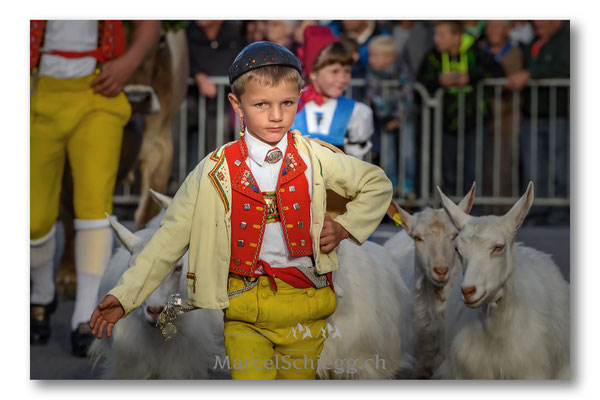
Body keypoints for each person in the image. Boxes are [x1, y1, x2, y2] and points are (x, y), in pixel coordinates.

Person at [89, 41, 393, 380]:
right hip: (244, 307)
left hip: (307, 305)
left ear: (299, 100)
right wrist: (126, 295)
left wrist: (345, 227)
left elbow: (376, 184)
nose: (276, 115)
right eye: (262, 104)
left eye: (287, 103)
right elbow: (167, 240)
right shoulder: (213, 170)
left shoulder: (315, 157)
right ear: (237, 104)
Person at [30, 20, 160, 356]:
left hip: (98, 93)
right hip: (37, 91)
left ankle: (87, 312)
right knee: (32, 218)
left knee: (93, 207)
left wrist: (129, 62)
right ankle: (42, 294)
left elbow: (149, 19)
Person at [417, 20, 503, 196]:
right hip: (445, 123)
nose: (436, 39)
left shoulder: (476, 52)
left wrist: (470, 77)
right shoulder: (433, 56)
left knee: (474, 169)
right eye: (435, 34)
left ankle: (473, 213)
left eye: (442, 35)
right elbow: (420, 81)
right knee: (447, 170)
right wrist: (438, 81)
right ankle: (450, 212)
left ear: (457, 37)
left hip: (475, 121)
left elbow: (497, 72)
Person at [506, 20, 569, 224]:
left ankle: (561, 211)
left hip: (559, 114)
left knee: (560, 167)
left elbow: (566, 67)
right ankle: (536, 212)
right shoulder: (534, 41)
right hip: (533, 114)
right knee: (534, 168)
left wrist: (531, 74)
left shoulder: (569, 38)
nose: (536, 22)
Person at [292, 25, 374, 160]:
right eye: (334, 71)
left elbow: (355, 164)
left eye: (347, 71)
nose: (342, 79)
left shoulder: (354, 112)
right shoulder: (292, 106)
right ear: (314, 73)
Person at [481, 20, 523, 211]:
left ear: (507, 30)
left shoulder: (515, 52)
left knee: (503, 167)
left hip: (506, 117)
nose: (492, 31)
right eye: (489, 27)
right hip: (482, 117)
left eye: (497, 27)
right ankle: (486, 208)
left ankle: (503, 210)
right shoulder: (480, 50)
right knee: (485, 167)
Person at [365, 35, 415, 196]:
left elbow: (407, 93)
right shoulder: (371, 72)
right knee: (388, 153)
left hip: (404, 117)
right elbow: (373, 94)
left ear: (389, 58)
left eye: (374, 56)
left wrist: (396, 116)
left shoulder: (402, 69)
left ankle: (407, 186)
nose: (371, 60)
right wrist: (385, 116)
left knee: (407, 152)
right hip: (385, 119)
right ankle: (390, 186)